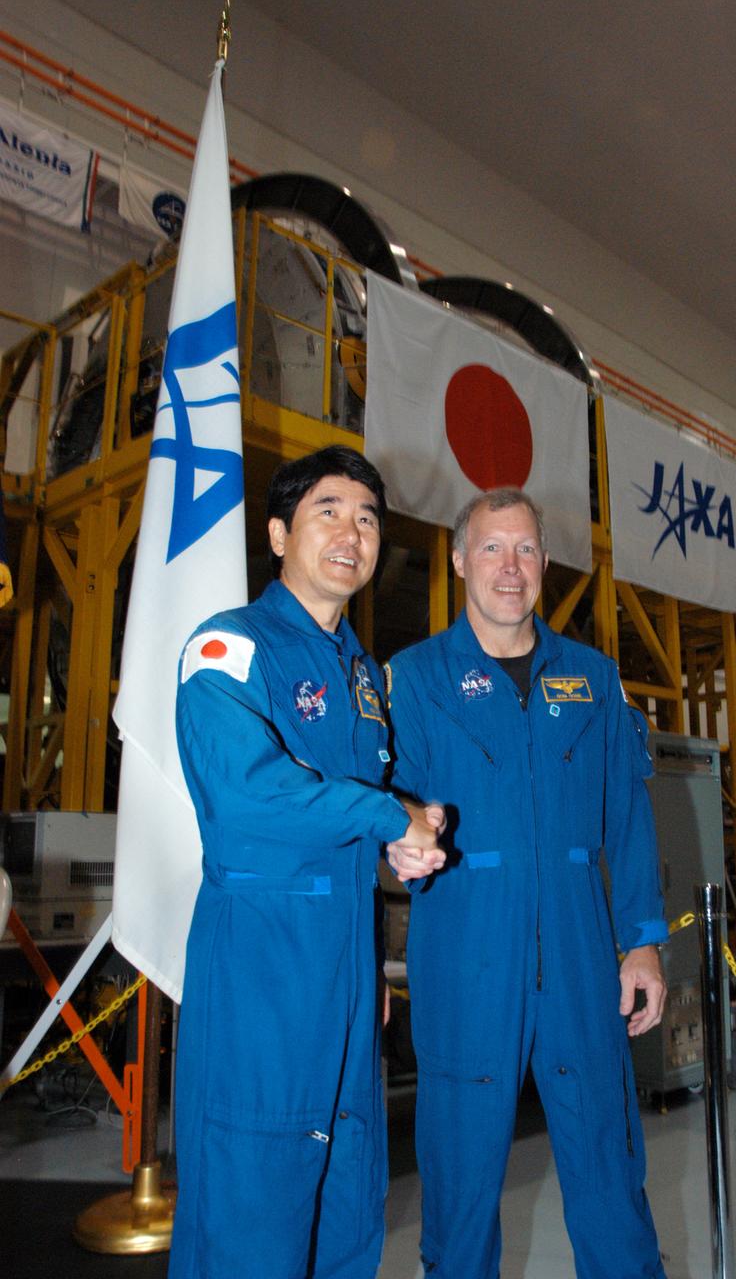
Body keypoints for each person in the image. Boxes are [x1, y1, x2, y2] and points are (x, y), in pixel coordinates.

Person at [169, 445, 444, 1279]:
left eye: (366, 518)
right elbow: (246, 799)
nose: (351, 532)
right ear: (279, 531)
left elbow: (366, 803)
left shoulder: (362, 675)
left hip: (345, 967)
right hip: (261, 968)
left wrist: (407, 831)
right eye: (329, 511)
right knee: (254, 1202)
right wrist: (381, 812)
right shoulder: (229, 649)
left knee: (346, 1192)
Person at [385, 487, 669, 1279]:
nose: (509, 569)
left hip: (580, 963)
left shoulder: (591, 677)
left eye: (524, 550)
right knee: (460, 1182)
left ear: (543, 562)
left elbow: (627, 818)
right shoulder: (411, 680)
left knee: (608, 1171)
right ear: (457, 560)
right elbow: (377, 812)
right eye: (490, 548)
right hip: (465, 958)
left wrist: (642, 944)